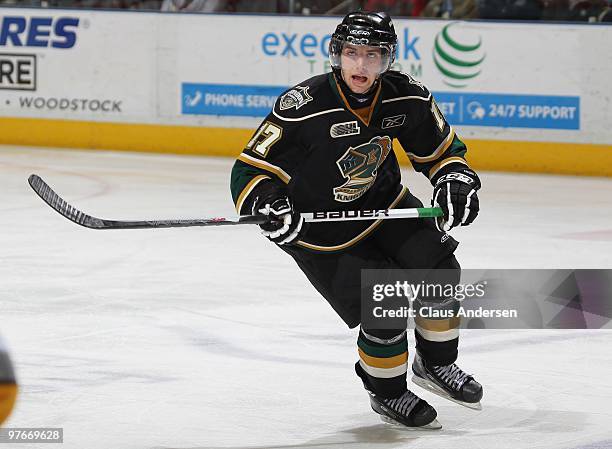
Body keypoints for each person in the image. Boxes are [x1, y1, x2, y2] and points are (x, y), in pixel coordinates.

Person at [230, 11, 483, 429]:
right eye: (352, 53)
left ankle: (435, 366)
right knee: (383, 303)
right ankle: (388, 394)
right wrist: (267, 202)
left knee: (441, 272)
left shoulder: (407, 96)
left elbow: (441, 151)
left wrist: (455, 178)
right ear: (337, 54)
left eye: (372, 55)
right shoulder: (303, 106)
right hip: (317, 227)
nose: (361, 65)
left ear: (388, 59)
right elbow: (251, 169)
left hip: (383, 206)